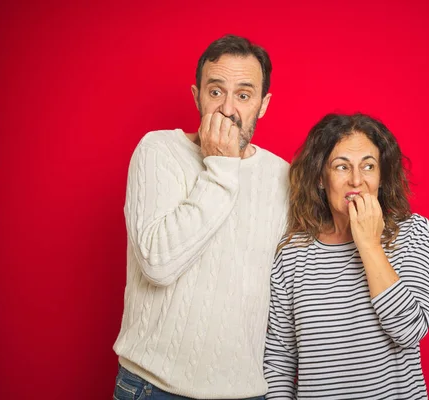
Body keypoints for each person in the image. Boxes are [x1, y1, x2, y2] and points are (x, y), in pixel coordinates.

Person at [112, 34, 290, 400]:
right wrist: (221, 166)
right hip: (151, 387)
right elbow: (158, 264)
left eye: (243, 95)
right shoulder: (157, 150)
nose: (227, 109)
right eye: (215, 92)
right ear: (196, 95)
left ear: (263, 104)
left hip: (246, 392)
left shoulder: (282, 176)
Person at [263, 113, 429, 399]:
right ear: (321, 178)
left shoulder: (414, 233)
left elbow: (409, 330)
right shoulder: (292, 253)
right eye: (342, 167)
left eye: (368, 166)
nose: (356, 180)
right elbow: (279, 362)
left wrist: (369, 244)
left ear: (381, 176)